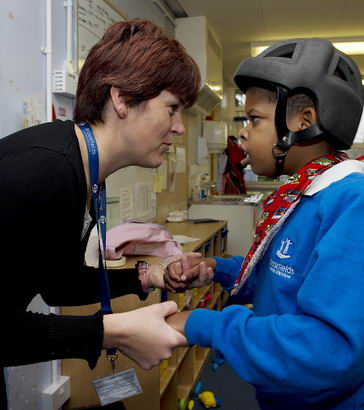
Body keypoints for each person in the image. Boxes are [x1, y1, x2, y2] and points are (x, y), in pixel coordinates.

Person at [0, 18, 208, 408]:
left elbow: (58, 284)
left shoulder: (84, 170)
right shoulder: (44, 169)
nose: (180, 128)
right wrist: (108, 332)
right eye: (173, 108)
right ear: (122, 99)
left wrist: (147, 276)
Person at [164, 38, 364, 409]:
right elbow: (284, 278)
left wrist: (204, 324)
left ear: (303, 123)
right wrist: (217, 268)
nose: (243, 132)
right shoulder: (302, 194)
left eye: (254, 119)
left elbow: (328, 351)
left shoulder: (351, 201)